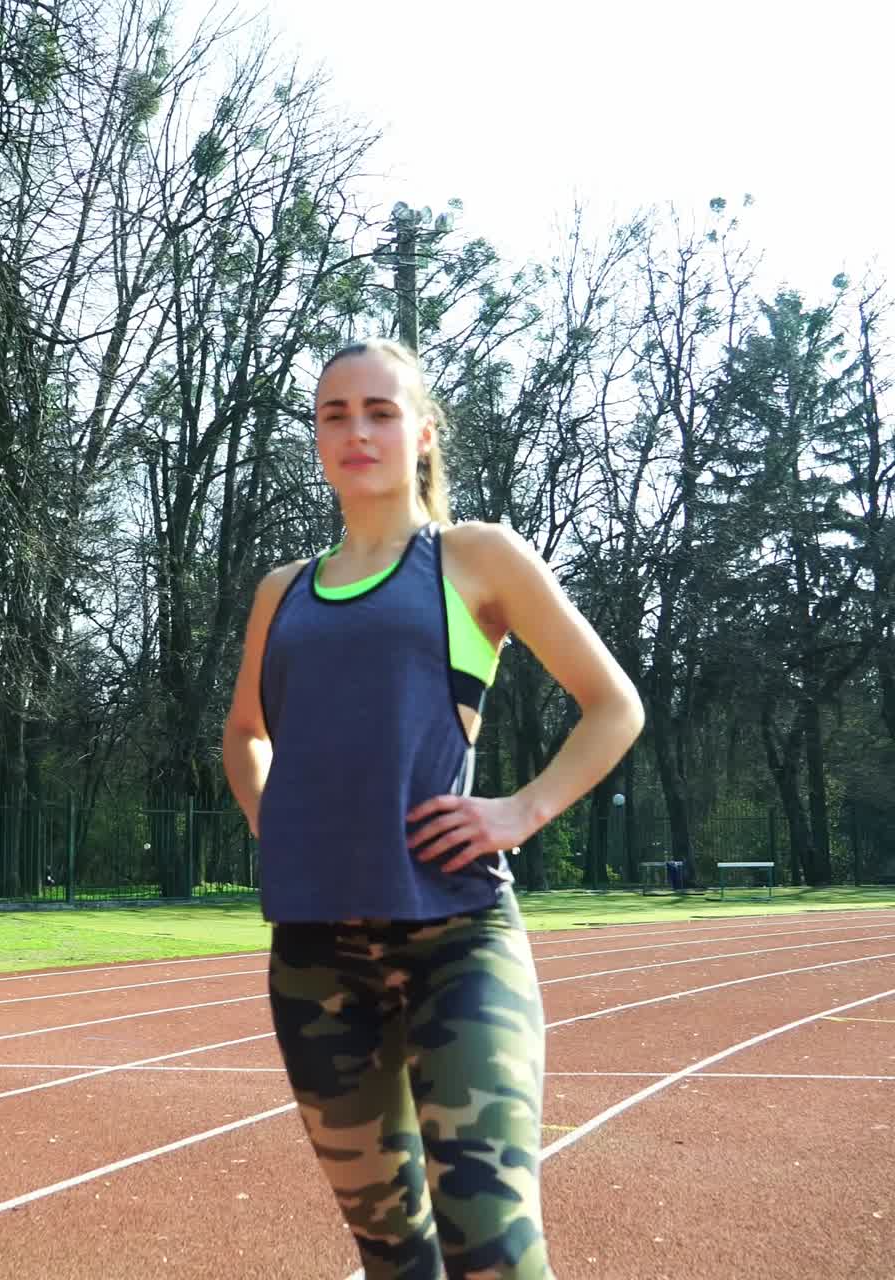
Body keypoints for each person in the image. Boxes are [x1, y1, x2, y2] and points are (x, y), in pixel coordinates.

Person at [222, 338, 644, 1280]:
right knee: (391, 1253)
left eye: (379, 411)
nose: (356, 430)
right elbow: (245, 731)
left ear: (421, 433)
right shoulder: (281, 592)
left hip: (458, 941)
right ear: (318, 438)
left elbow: (615, 706)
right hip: (315, 961)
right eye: (335, 415)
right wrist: (269, 811)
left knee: (490, 1243)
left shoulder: (474, 558)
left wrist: (521, 811)